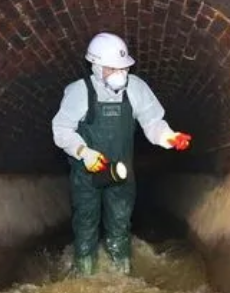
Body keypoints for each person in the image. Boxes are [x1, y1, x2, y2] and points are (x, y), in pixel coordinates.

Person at [52, 32, 192, 277]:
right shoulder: (79, 92)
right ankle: (84, 274)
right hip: (86, 174)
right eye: (112, 68)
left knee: (119, 225)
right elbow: (61, 129)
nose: (120, 74)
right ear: (95, 66)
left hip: (121, 172)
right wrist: (84, 153)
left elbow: (152, 122)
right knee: (85, 226)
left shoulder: (136, 88)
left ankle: (122, 279)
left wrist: (169, 137)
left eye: (123, 68)